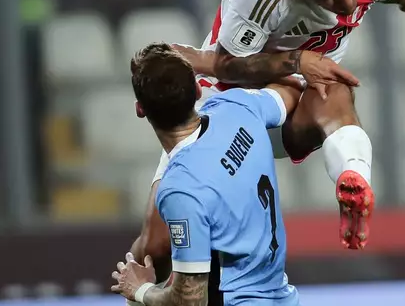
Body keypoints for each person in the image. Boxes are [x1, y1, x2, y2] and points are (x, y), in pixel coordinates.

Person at [172, 0, 405, 250]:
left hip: (297, 118)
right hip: (229, 115)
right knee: (168, 247)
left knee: (335, 86)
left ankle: (354, 177)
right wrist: (298, 61)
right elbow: (226, 67)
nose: (347, 3)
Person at [112, 42, 302, 305]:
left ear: (140, 110)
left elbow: (190, 300)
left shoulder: (181, 189)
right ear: (199, 89)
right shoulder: (237, 106)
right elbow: (292, 88)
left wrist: (139, 290)